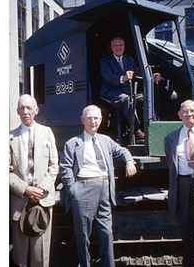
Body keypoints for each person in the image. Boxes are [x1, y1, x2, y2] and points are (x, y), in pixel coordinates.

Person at [59, 105, 137, 267]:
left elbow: (122, 151)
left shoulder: (106, 141)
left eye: (96, 118)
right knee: (83, 236)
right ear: (83, 120)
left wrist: (129, 160)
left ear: (101, 120)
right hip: (83, 188)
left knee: (106, 232)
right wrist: (74, 190)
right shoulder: (73, 143)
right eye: (89, 118)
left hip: (104, 189)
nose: (93, 121)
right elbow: (64, 168)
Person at [9, 94, 59, 267]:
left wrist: (41, 189)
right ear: (17, 111)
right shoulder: (9, 138)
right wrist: (26, 189)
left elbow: (54, 165)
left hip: (42, 201)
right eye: (21, 108)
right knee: (20, 256)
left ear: (36, 110)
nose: (25, 111)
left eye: (29, 108)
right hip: (19, 201)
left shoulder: (47, 133)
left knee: (41, 255)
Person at [164, 100, 194, 267]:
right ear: (179, 115)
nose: (189, 114)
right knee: (186, 234)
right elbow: (171, 164)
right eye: (185, 111)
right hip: (182, 188)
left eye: (192, 111)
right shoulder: (170, 138)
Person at [100, 36, 161, 142]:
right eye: (116, 46)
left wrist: (151, 78)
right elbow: (108, 77)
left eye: (120, 45)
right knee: (127, 100)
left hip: (128, 91)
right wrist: (123, 78)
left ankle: (155, 131)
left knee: (145, 99)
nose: (118, 48)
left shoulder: (129, 59)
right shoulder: (105, 60)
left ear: (124, 46)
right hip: (111, 92)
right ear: (111, 48)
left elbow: (138, 75)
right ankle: (137, 132)